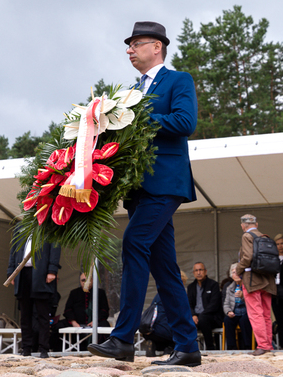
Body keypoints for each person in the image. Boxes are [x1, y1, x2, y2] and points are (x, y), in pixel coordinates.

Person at [89, 21, 201, 367]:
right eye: (128, 45)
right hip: (139, 189)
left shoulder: (178, 80)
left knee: (134, 243)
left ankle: (123, 338)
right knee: (165, 268)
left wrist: (137, 115)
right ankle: (188, 347)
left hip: (166, 183)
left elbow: (185, 122)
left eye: (136, 44)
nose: (129, 50)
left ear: (157, 47)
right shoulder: (131, 91)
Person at [7, 231, 62, 357]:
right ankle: (26, 347)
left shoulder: (49, 226)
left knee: (42, 314)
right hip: (22, 273)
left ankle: (44, 348)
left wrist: (52, 269)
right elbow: (13, 250)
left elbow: (55, 248)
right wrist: (11, 272)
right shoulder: (20, 227)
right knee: (25, 314)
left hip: (41, 273)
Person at [237, 214, 277, 355]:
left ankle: (263, 345)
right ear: (257, 224)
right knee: (266, 314)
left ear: (243, 225)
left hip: (252, 280)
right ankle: (268, 345)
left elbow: (248, 257)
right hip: (268, 280)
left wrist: (238, 269)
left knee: (255, 313)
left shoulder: (247, 236)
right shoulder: (266, 237)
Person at [141, 271, 189, 357]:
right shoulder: (177, 295)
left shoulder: (159, 293)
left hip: (149, 331)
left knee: (160, 339)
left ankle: (152, 344)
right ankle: (169, 349)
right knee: (178, 337)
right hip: (166, 332)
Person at [187, 262, 222, 350]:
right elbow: (189, 304)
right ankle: (188, 349)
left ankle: (210, 348)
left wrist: (202, 315)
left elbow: (214, 304)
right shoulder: (191, 287)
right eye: (196, 270)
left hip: (212, 317)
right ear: (193, 273)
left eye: (200, 270)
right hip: (196, 317)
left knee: (203, 319)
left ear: (205, 271)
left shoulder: (213, 285)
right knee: (184, 321)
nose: (198, 273)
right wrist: (193, 315)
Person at [223, 263, 253, 350]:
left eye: (237, 272)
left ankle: (248, 346)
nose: (235, 274)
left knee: (244, 320)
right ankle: (231, 347)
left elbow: (252, 302)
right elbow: (226, 304)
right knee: (227, 320)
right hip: (235, 312)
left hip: (246, 312)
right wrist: (228, 311)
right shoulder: (229, 288)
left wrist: (243, 296)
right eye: (233, 272)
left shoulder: (248, 286)